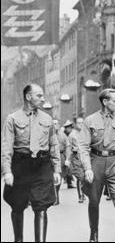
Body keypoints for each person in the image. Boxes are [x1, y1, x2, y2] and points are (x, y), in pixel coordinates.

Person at [1, 84, 61, 242]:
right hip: (20, 165)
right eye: (39, 96)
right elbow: (6, 147)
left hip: (42, 165)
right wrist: (7, 171)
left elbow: (53, 145)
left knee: (41, 206)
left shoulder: (47, 119)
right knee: (17, 204)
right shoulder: (12, 119)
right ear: (28, 97)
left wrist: (57, 170)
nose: (43, 99)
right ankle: (18, 239)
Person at [79, 89, 115, 242]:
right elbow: (83, 146)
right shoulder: (90, 121)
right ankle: (94, 235)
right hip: (96, 161)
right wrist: (87, 168)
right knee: (94, 199)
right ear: (105, 102)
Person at [65, 117, 87, 203]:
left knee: (85, 176)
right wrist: (68, 159)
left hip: (85, 157)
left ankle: (85, 193)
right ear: (75, 124)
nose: (81, 124)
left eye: (82, 123)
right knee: (80, 177)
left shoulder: (86, 133)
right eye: (79, 123)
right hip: (76, 157)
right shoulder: (72, 135)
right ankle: (81, 196)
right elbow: (69, 147)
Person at [54, 119, 72, 205]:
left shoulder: (63, 135)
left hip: (60, 157)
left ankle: (56, 196)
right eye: (53, 124)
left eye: (57, 124)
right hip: (50, 157)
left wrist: (67, 159)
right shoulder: (48, 135)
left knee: (59, 177)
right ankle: (52, 196)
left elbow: (68, 147)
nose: (55, 125)